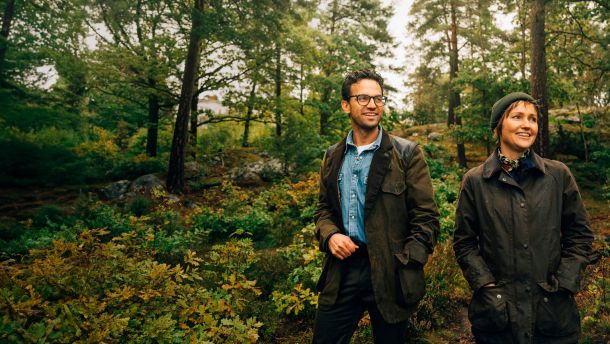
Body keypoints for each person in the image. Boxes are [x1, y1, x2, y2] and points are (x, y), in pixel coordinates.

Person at [453, 92, 594, 343]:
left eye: (532, 119)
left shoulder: (558, 175)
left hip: (553, 314)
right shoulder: (475, 181)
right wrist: (486, 286)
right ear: (499, 126)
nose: (527, 125)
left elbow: (579, 235)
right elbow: (464, 243)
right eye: (517, 117)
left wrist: (563, 284)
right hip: (498, 317)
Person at [313, 69, 439, 343]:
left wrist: (408, 263)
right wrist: (331, 235)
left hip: (390, 270)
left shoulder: (406, 154)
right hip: (342, 270)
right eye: (363, 98)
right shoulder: (333, 156)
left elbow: (426, 217)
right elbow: (323, 209)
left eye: (378, 98)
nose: (372, 105)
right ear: (346, 105)